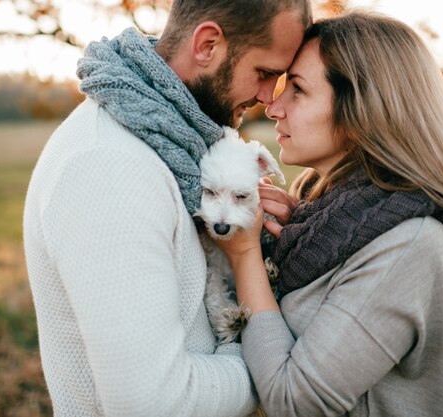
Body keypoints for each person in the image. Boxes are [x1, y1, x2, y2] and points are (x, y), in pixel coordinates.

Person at [23, 1, 311, 416]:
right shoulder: (108, 164)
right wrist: (273, 361)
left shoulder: (178, 143)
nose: (269, 99)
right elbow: (153, 404)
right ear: (207, 45)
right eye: (264, 74)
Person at [216, 10, 443, 417]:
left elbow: (294, 402)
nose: (273, 106)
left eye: (297, 89)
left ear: (362, 111)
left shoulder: (409, 245)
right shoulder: (320, 214)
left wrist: (245, 256)